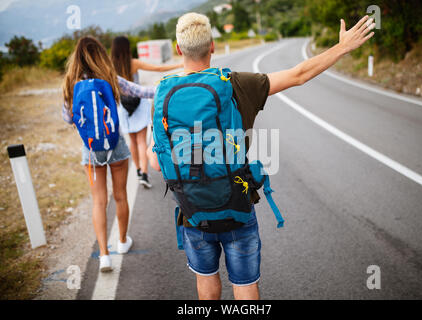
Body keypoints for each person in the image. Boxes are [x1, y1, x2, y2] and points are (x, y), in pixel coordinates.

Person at [147, 13, 376, 299]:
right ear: (213, 46)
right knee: (244, 285)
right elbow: (299, 75)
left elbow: (156, 163)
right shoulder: (237, 84)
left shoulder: (163, 95)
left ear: (179, 49)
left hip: (193, 214)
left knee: (206, 281)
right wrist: (342, 47)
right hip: (237, 208)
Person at [62, 36, 156, 272]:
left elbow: (67, 118)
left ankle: (104, 255)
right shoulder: (110, 78)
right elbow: (142, 92)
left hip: (91, 149)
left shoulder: (70, 83)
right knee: (121, 196)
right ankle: (123, 242)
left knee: (99, 201)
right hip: (116, 145)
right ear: (100, 55)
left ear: (77, 57)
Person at [111, 36, 182, 188]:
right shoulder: (134, 63)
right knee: (142, 141)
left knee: (133, 141)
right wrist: (181, 64)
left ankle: (137, 170)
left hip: (123, 106)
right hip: (139, 101)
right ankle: (144, 172)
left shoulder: (111, 67)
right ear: (127, 48)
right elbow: (158, 69)